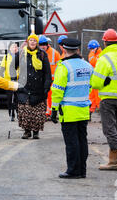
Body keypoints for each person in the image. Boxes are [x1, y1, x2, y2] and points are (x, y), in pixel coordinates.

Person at [90, 29, 117, 171]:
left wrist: (105, 81)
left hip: (108, 99)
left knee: (110, 129)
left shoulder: (104, 58)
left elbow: (96, 83)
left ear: (105, 42)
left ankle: (114, 161)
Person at [50, 38, 94, 179]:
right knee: (82, 140)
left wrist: (54, 109)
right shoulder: (87, 66)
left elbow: (57, 91)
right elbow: (92, 85)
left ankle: (73, 170)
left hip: (68, 110)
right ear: (78, 49)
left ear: (64, 49)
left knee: (71, 142)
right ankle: (82, 170)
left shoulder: (64, 67)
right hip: (83, 109)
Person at [11, 34, 51, 140]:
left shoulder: (42, 54)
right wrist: (14, 80)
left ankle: (36, 132)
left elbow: (47, 72)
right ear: (28, 42)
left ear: (37, 43)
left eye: (34, 40)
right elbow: (12, 67)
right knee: (25, 112)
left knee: (37, 112)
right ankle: (27, 131)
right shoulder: (21, 53)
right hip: (23, 88)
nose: (32, 42)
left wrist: (47, 86)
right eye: (30, 40)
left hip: (38, 89)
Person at [39, 35, 61, 118]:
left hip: (54, 80)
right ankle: (48, 112)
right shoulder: (38, 53)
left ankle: (51, 112)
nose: (42, 46)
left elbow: (60, 66)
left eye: (44, 44)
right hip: (43, 80)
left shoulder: (55, 53)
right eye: (41, 44)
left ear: (47, 44)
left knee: (52, 97)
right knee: (46, 96)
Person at [0, 42, 19, 122]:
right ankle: (11, 113)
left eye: (16, 47)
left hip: (17, 81)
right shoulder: (6, 57)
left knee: (17, 98)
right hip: (8, 81)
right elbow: (2, 68)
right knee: (10, 98)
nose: (15, 49)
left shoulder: (20, 57)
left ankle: (18, 113)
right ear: (10, 48)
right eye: (13, 47)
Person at [87, 40, 102, 116]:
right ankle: (89, 112)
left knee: (98, 98)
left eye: (91, 49)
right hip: (93, 79)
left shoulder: (100, 54)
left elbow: (93, 62)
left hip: (99, 80)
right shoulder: (94, 54)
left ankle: (103, 114)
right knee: (91, 97)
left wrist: (92, 52)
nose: (90, 50)